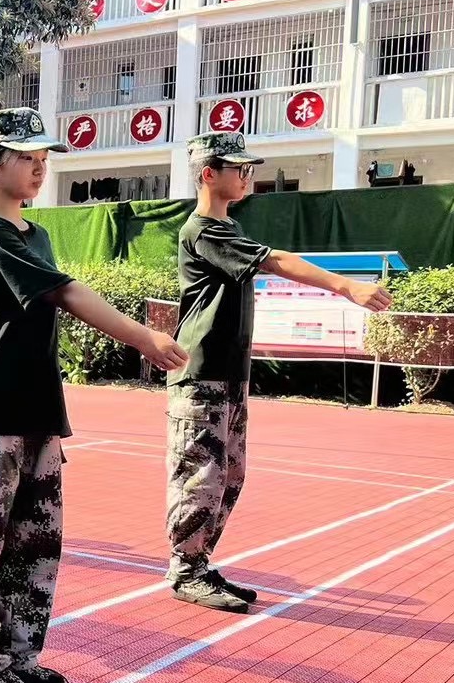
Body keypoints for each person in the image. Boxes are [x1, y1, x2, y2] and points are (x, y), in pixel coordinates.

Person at [0, 107, 188, 683]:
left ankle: (20, 653)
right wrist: (142, 337)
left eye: (43, 159)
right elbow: (65, 291)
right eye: (26, 158)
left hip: (35, 410)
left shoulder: (35, 234)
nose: (39, 168)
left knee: (35, 542)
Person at [165, 133, 391, 612]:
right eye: (240, 169)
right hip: (201, 376)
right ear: (209, 174)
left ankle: (199, 563)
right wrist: (344, 286)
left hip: (228, 376)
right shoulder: (204, 230)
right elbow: (277, 261)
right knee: (201, 477)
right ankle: (185, 571)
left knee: (230, 476)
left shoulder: (228, 227)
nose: (248, 176)